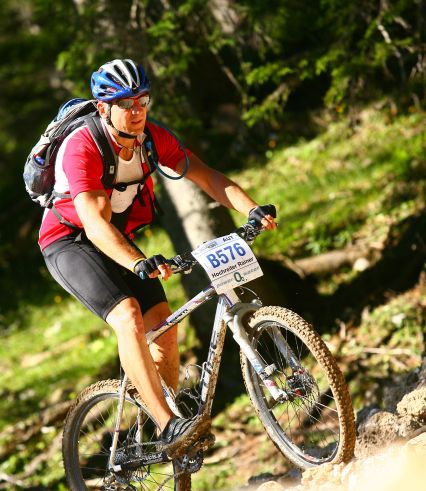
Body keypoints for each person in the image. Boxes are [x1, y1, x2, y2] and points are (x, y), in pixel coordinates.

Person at [40, 58, 277, 456]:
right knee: (128, 316)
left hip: (117, 239)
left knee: (164, 325)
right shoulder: (82, 147)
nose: (137, 111)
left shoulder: (151, 138)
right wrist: (137, 262)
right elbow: (94, 224)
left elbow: (207, 176)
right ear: (103, 108)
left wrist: (251, 208)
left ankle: (168, 421)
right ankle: (168, 425)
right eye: (125, 103)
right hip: (70, 242)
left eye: (143, 101)